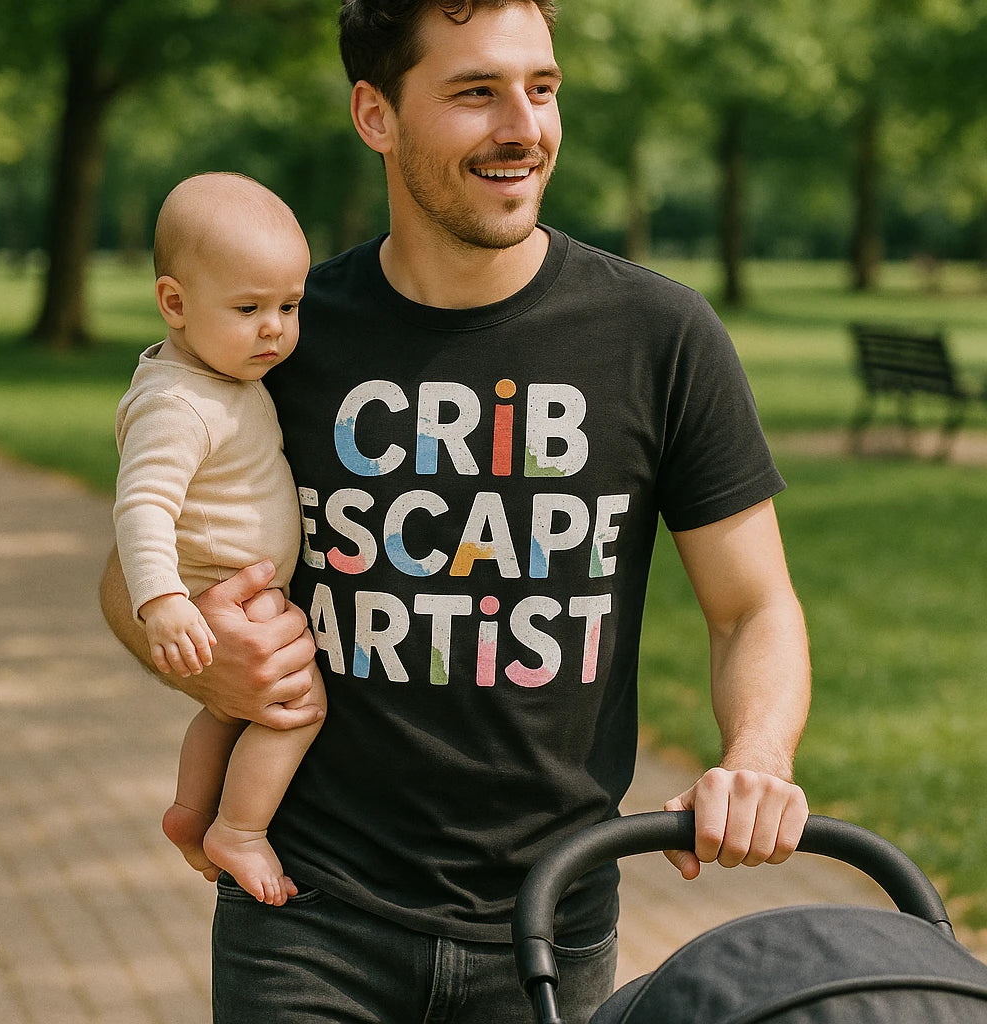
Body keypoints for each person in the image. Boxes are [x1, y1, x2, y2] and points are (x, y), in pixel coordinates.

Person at [100, 2, 811, 1021]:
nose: (522, 126)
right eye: (476, 92)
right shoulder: (280, 333)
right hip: (306, 912)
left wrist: (755, 757)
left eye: (541, 87)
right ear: (375, 114)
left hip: (549, 920)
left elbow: (753, 608)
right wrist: (195, 647)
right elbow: (131, 566)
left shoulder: (658, 334)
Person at [112, 171, 325, 907]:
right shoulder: (178, 403)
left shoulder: (219, 374)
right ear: (174, 303)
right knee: (296, 706)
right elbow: (141, 506)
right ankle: (239, 827)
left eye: (289, 306)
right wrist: (163, 603)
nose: (274, 327)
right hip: (224, 590)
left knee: (229, 708)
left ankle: (191, 812)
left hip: (236, 587)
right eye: (249, 308)